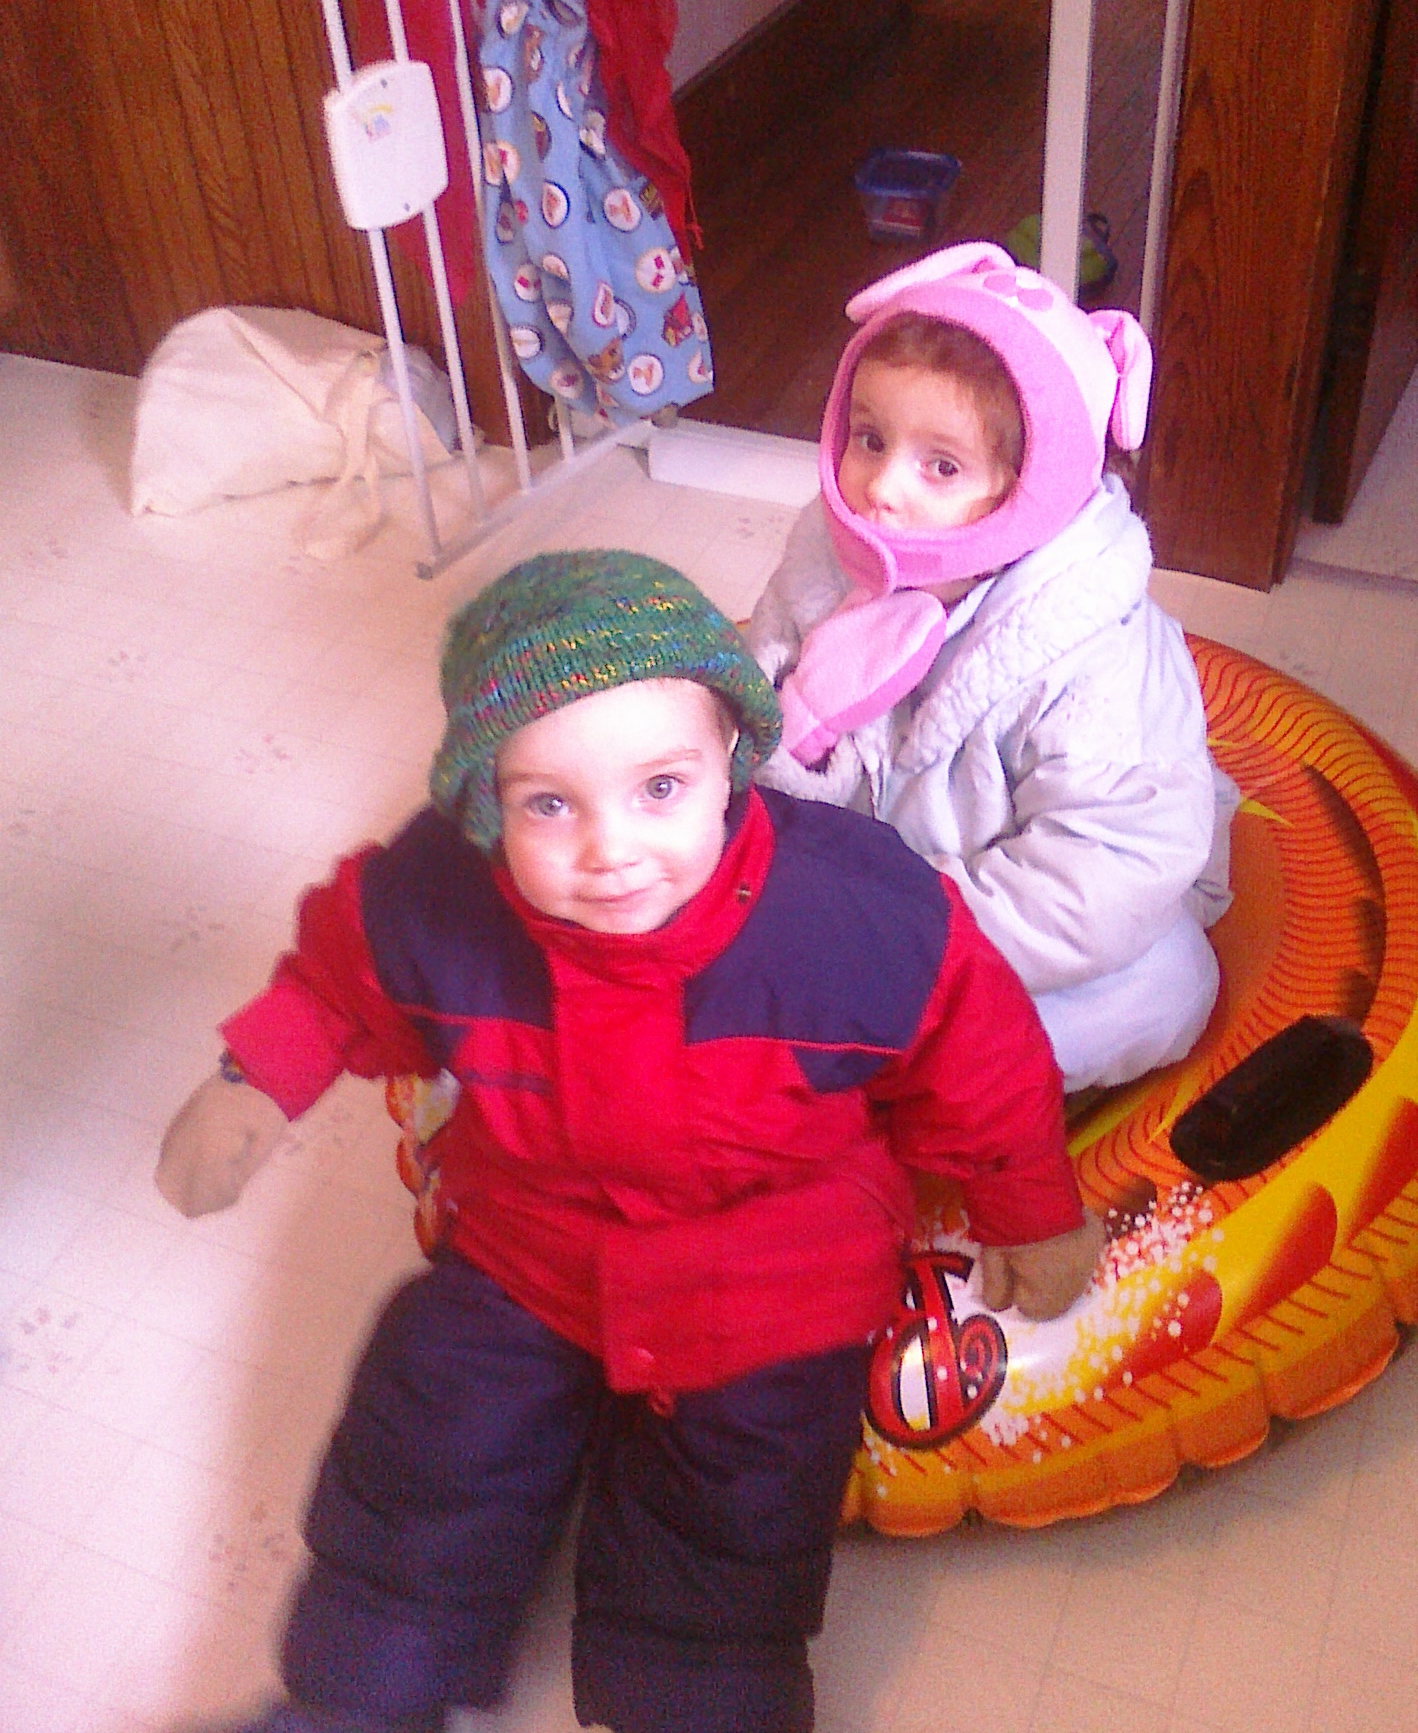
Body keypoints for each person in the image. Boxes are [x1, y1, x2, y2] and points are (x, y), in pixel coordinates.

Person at [155, 550, 1104, 1733]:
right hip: (530, 1242)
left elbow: (979, 1050)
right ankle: (355, 1698)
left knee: (735, 1512)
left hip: (770, 1273)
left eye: (659, 787)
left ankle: (693, 1700)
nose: (609, 849)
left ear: (729, 762)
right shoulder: (440, 893)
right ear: (483, 804)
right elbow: (343, 973)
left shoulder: (852, 915)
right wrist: (254, 1080)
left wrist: (1031, 1208)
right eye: (548, 804)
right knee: (428, 1433)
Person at [746, 242, 1236, 1097]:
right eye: (869, 439)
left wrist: (902, 942)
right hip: (855, 892)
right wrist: (797, 747)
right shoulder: (820, 567)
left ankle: (891, 1070)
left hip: (1004, 925)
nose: (881, 489)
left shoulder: (1097, 652)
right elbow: (747, 741)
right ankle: (818, 1043)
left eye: (942, 466)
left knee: (1168, 986)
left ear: (1032, 487)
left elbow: (1099, 878)